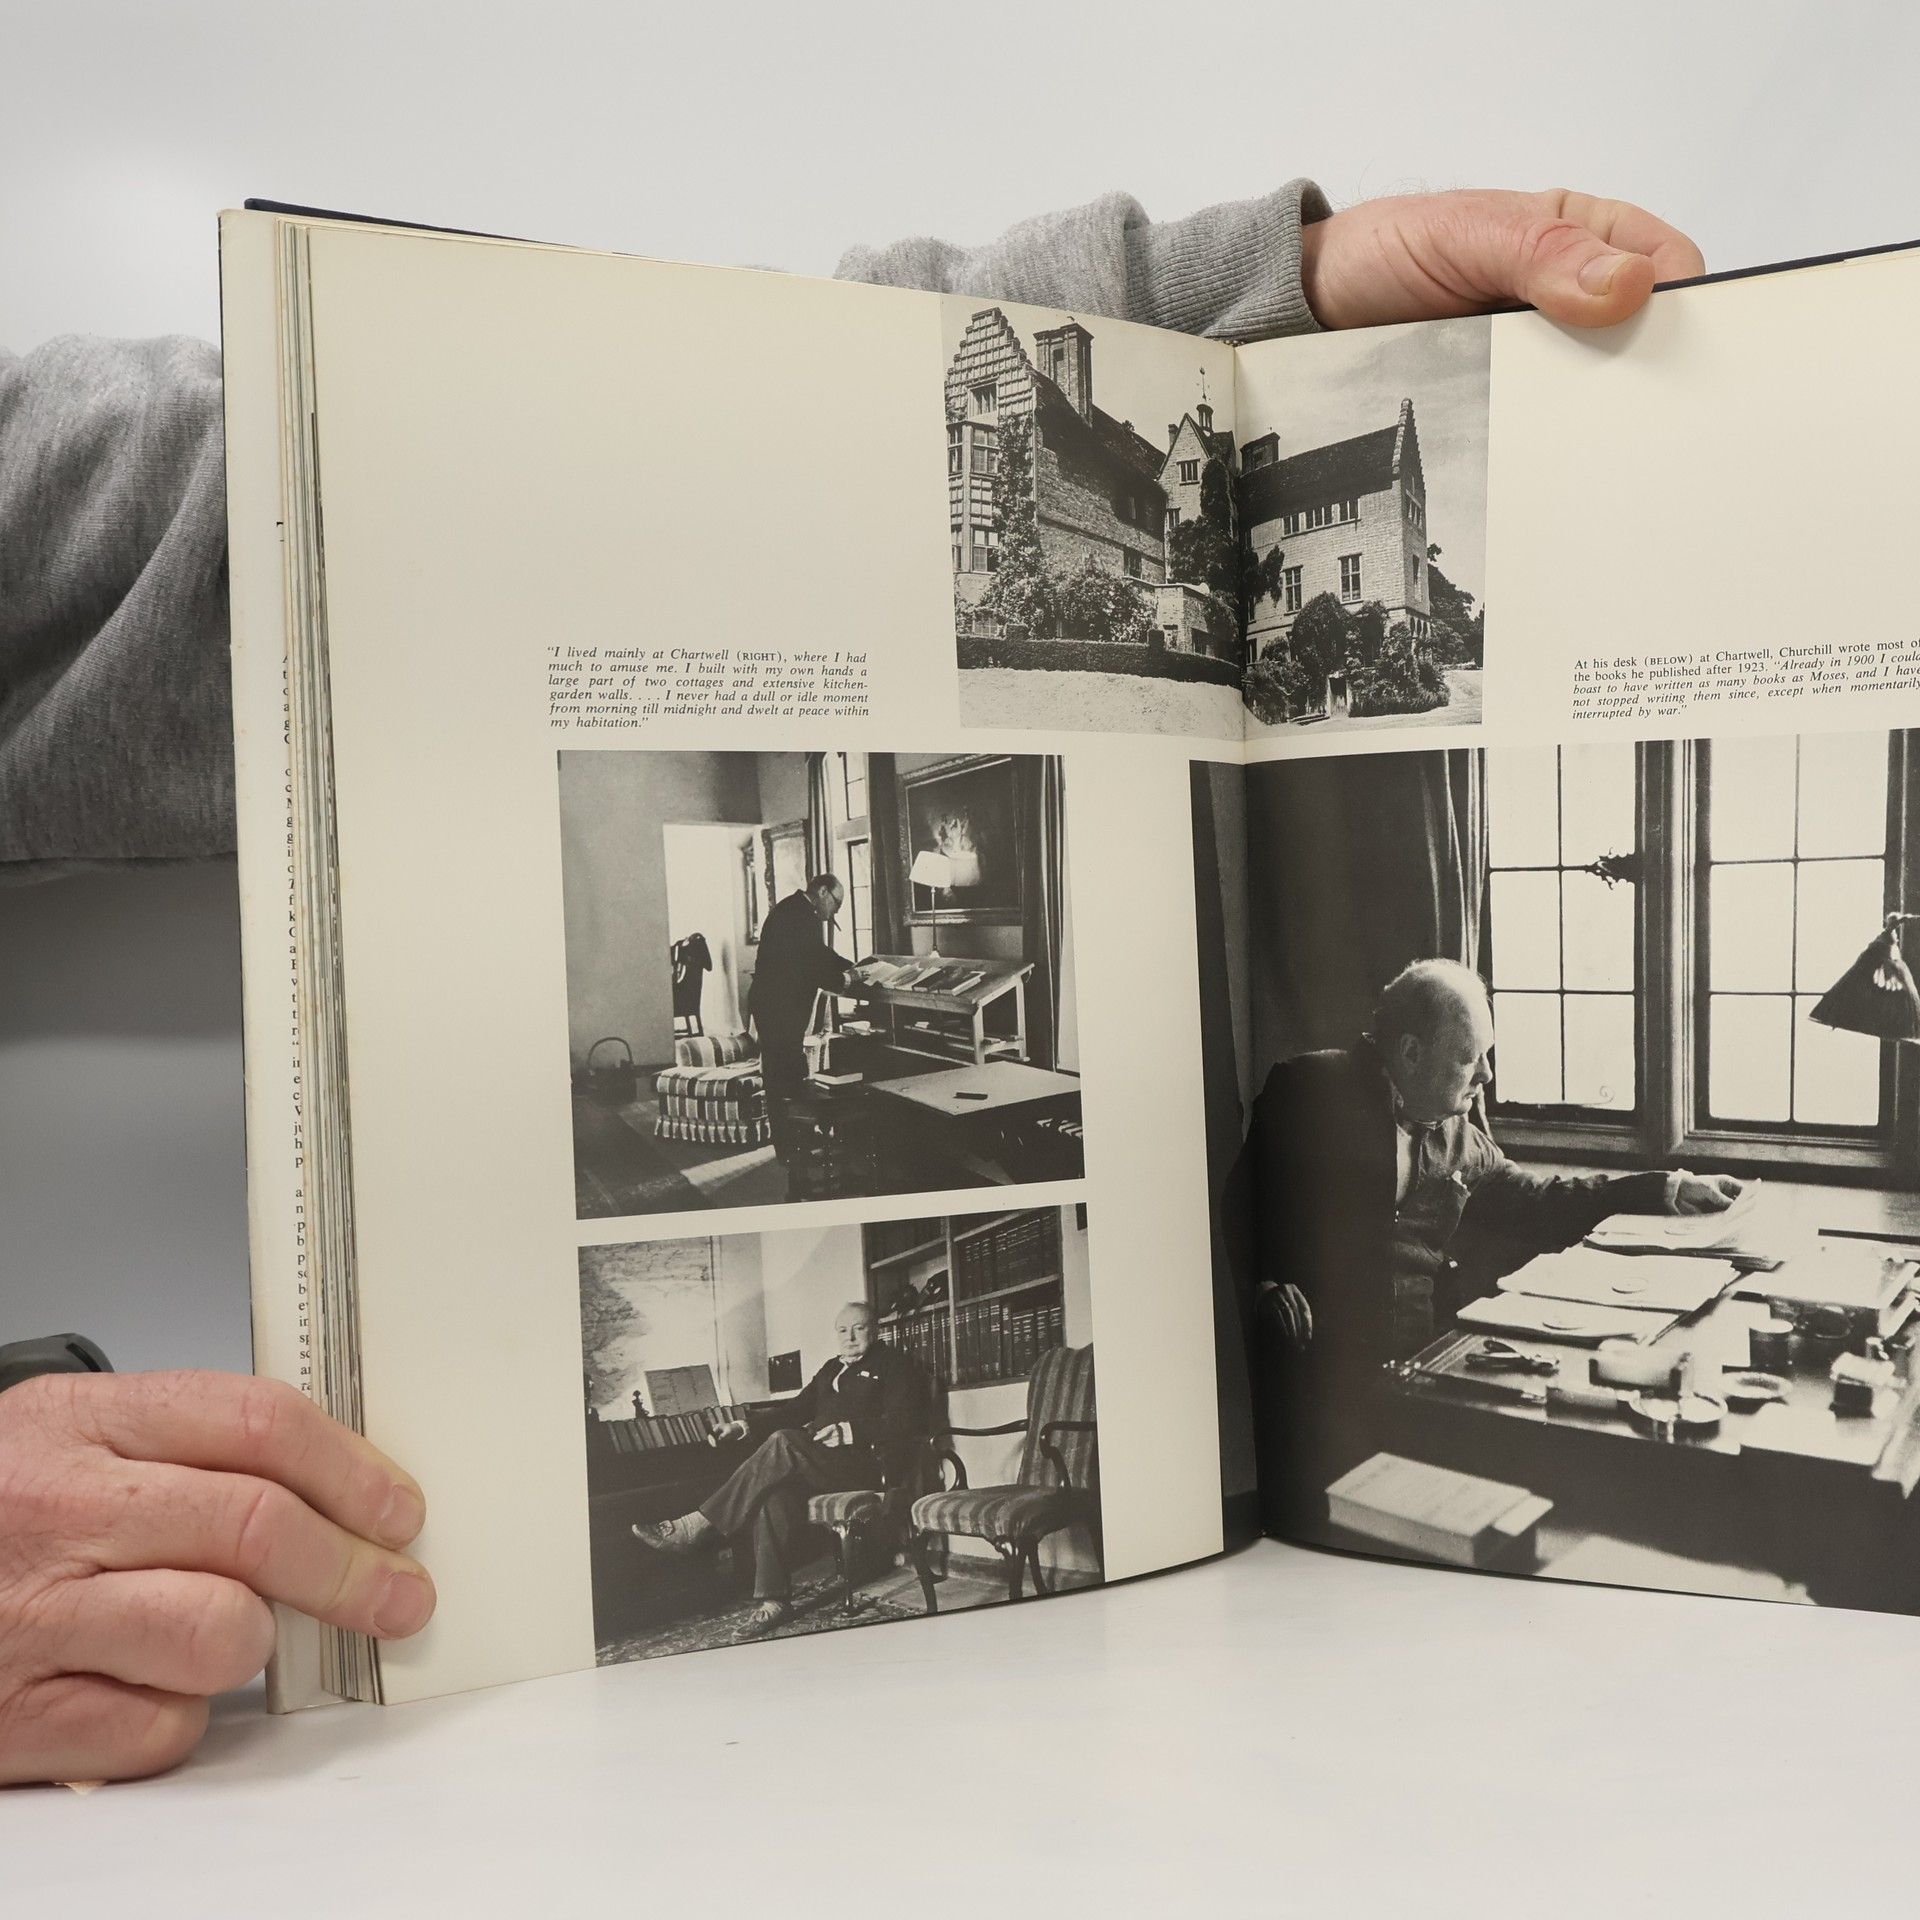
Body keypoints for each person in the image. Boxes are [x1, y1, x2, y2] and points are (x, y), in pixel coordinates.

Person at [0, 183, 1708, 1783]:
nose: (1468, 1090)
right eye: (1459, 1061)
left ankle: (720, 1516)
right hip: (903, 1342)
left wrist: (1242, 301)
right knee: (794, 1333)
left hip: (1073, 1399)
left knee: (788, 1394)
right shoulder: (1279, 1098)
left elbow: (372, 479)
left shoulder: (1410, 1129)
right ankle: (722, 1511)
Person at [1246, 959, 1740, 1520]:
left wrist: (1665, 1187)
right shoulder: (1308, 1090)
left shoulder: (1460, 1134)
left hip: (1419, 1368)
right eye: (1469, 1057)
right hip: (1317, 1372)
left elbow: (1541, 1199)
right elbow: (1234, 1212)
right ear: (1410, 1052)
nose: (1485, 1074)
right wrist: (1262, 1285)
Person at [630, 1302, 928, 1638]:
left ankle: (696, 1525)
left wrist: (849, 1431)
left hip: (863, 1466)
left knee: (784, 1441)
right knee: (772, 1495)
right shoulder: (831, 1368)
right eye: (843, 1330)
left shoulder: (895, 1365)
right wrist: (742, 1426)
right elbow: (793, 1410)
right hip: (819, 1465)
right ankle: (774, 1600)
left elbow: (907, 1421)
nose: (850, 1337)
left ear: (875, 1330)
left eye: (859, 1328)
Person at [747, 872, 865, 1192]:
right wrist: (847, 979)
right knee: (785, 1073)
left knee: (783, 1070)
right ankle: (791, 1147)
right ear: (823, 892)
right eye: (836, 904)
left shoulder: (796, 910)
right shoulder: (801, 915)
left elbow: (817, 954)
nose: (835, 912)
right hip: (778, 1007)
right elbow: (812, 961)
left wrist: (850, 965)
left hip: (775, 1005)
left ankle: (792, 1143)